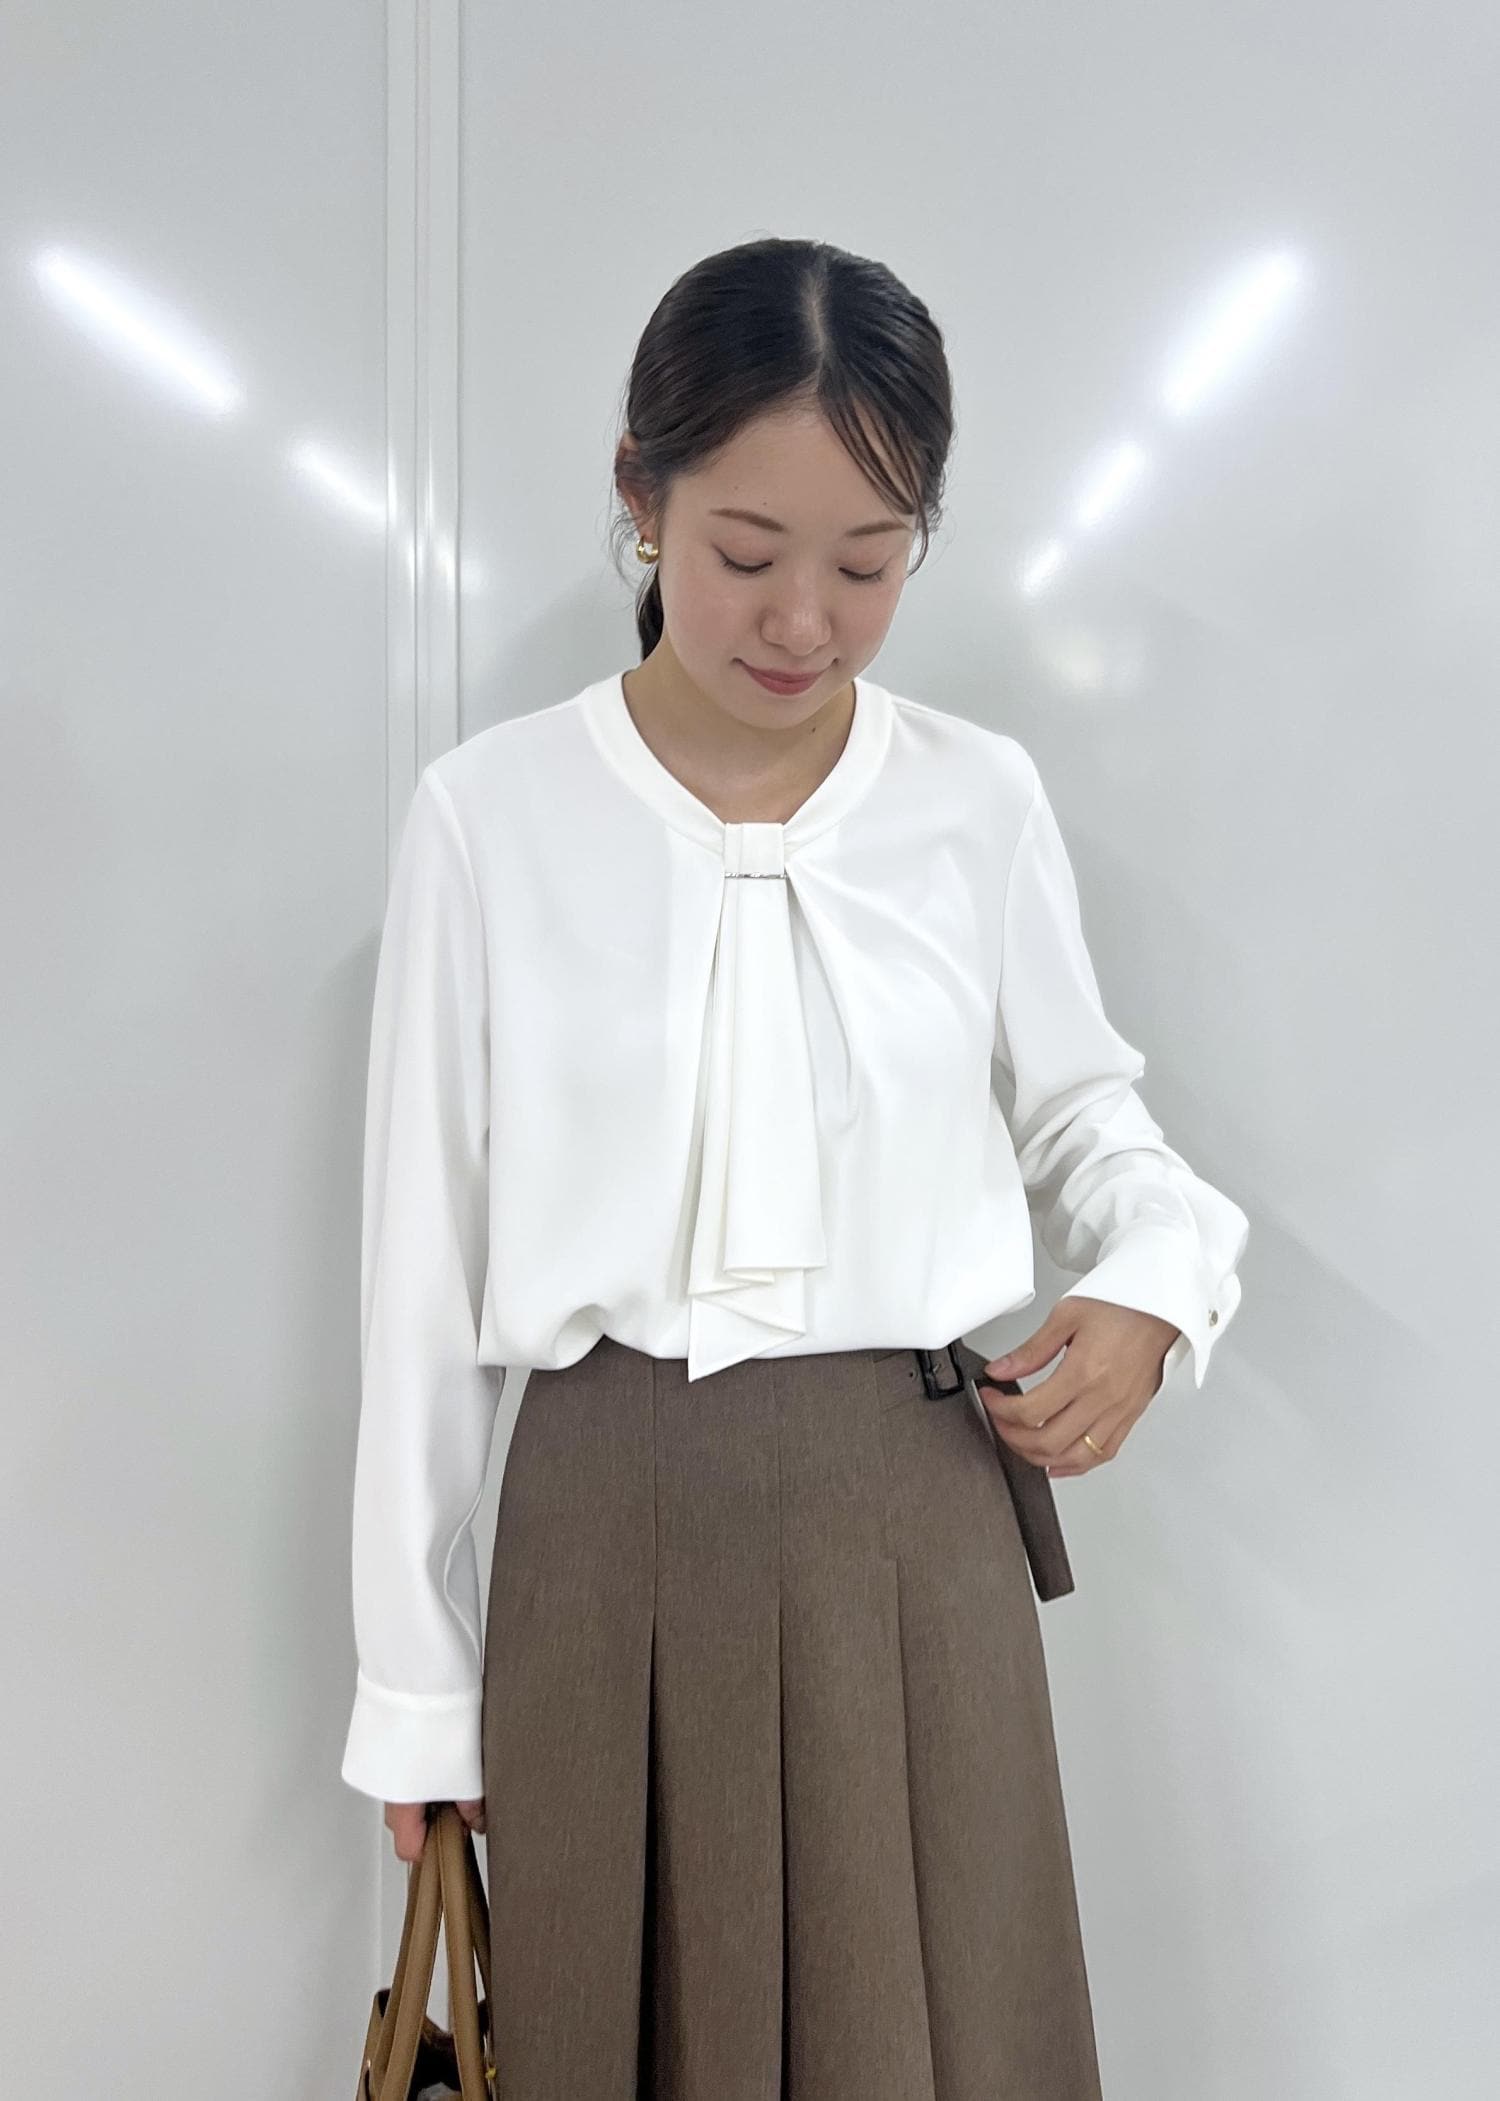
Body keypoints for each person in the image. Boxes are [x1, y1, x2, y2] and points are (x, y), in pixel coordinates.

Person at [340, 235, 1249, 2097]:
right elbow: (420, 1277)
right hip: (605, 1532)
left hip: (913, 1534)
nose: (804, 622)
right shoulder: (489, 817)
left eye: (870, 562)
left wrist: (1158, 1286)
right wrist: (415, 1685)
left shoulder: (974, 798)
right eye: (746, 553)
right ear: (640, 494)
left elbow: (1095, 1120)